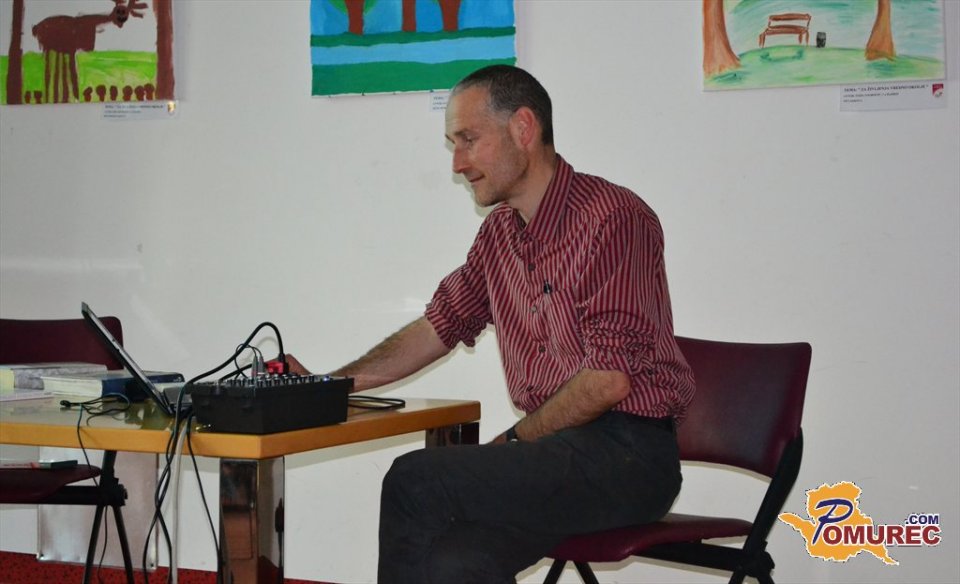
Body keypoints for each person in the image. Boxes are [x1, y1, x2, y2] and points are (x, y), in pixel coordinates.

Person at [288, 65, 695, 584]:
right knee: (454, 561)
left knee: (416, 480)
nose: (458, 163)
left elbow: (607, 381)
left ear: (523, 128)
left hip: (628, 457)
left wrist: (518, 438)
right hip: (557, 455)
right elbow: (437, 327)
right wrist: (329, 387)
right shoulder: (499, 234)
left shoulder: (612, 218)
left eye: (468, 139)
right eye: (453, 144)